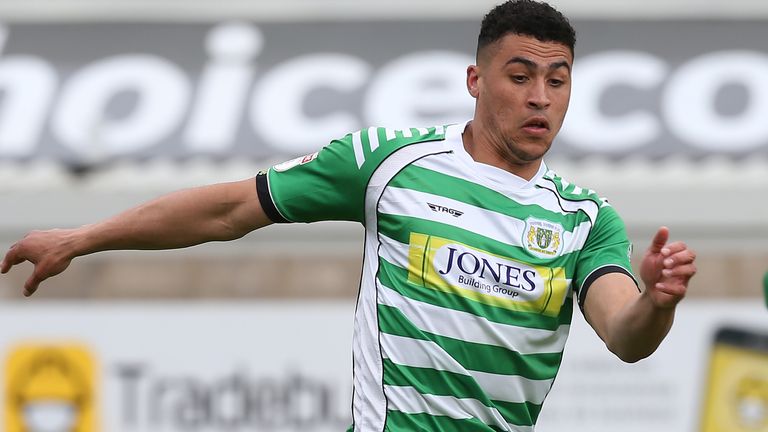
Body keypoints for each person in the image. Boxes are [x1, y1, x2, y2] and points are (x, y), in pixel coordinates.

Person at [1, 1, 696, 430]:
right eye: (520, 77)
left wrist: (658, 302)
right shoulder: (391, 165)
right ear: (476, 81)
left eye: (558, 79)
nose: (541, 97)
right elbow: (229, 209)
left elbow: (626, 335)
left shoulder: (584, 218)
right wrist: (85, 237)